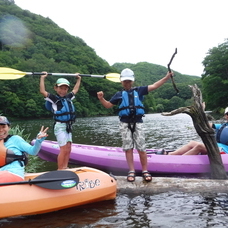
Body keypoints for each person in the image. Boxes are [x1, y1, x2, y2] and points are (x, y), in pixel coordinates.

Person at [97, 68, 173, 182]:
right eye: (125, 81)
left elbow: (154, 86)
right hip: (124, 123)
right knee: (128, 148)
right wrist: (101, 98)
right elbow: (108, 105)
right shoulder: (118, 94)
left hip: (138, 122)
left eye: (129, 81)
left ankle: (145, 170)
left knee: (142, 148)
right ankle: (131, 170)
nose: (127, 83)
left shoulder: (139, 90)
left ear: (132, 81)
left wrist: (166, 78)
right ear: (121, 82)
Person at [40, 72, 81, 170]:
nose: (63, 90)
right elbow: (42, 91)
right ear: (56, 88)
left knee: (68, 148)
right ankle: (60, 169)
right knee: (63, 149)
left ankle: (65, 167)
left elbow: (75, 89)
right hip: (60, 127)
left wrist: (78, 79)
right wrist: (42, 78)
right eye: (61, 88)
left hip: (68, 126)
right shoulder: (54, 99)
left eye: (65, 88)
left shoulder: (68, 97)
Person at [0, 116, 48, 183]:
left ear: (9, 127)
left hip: (13, 173)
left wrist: (38, 141)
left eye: (3, 127)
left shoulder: (15, 139)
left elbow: (33, 151)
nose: (1, 130)